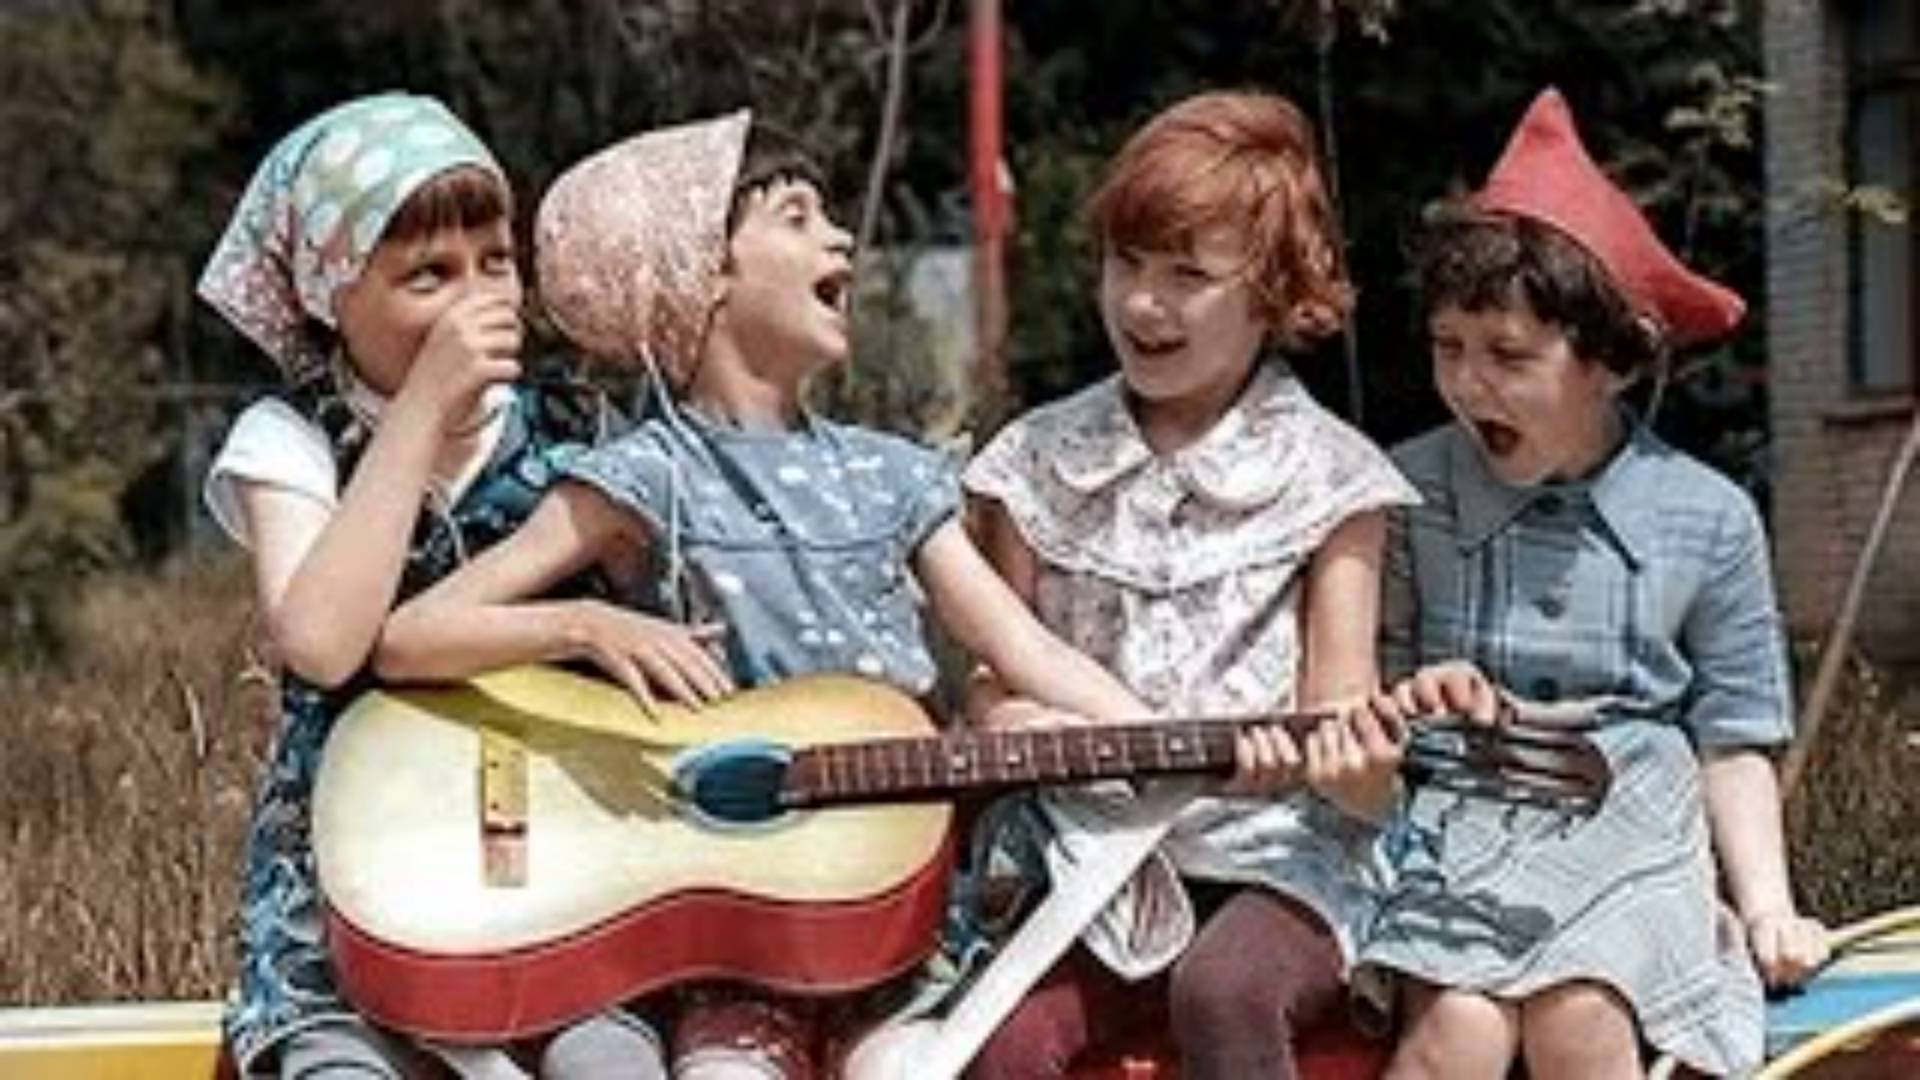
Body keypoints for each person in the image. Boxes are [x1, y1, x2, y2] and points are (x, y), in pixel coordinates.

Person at [374, 110, 1279, 1080]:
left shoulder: (892, 477)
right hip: (730, 947)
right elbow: (411, 636)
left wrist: (1189, 747)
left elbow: (1024, 650)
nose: (842, 239)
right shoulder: (648, 477)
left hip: (906, 929)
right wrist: (588, 624)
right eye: (798, 217)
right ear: (701, 274)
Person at [1356, 88, 1830, 1079]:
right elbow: (1364, 700)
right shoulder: (1402, 494)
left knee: (1580, 1020)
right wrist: (1404, 706)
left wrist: (1768, 906)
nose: (1468, 382)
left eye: (1508, 355)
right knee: (1459, 1032)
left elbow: (1734, 739)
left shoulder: (1707, 515)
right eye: (1448, 347)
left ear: (1614, 362)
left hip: (1633, 821)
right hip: (1460, 811)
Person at [954, 89, 1417, 1080]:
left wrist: (1333, 762)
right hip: (1094, 859)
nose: (1142, 303)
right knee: (1003, 1046)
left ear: (1275, 293)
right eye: (1125, 263)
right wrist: (1012, 720)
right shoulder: (1031, 461)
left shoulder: (1337, 478)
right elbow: (993, 675)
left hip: (1277, 860)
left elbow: (1342, 703)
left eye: (1187, 275)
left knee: (1226, 991)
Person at [198, 91, 663, 1079]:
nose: (474, 298)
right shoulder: (289, 439)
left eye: (495, 263)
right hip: (348, 897)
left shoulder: (582, 433)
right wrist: (421, 409)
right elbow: (322, 644)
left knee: (608, 1062)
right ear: (331, 298)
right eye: (428, 275)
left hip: (560, 875)